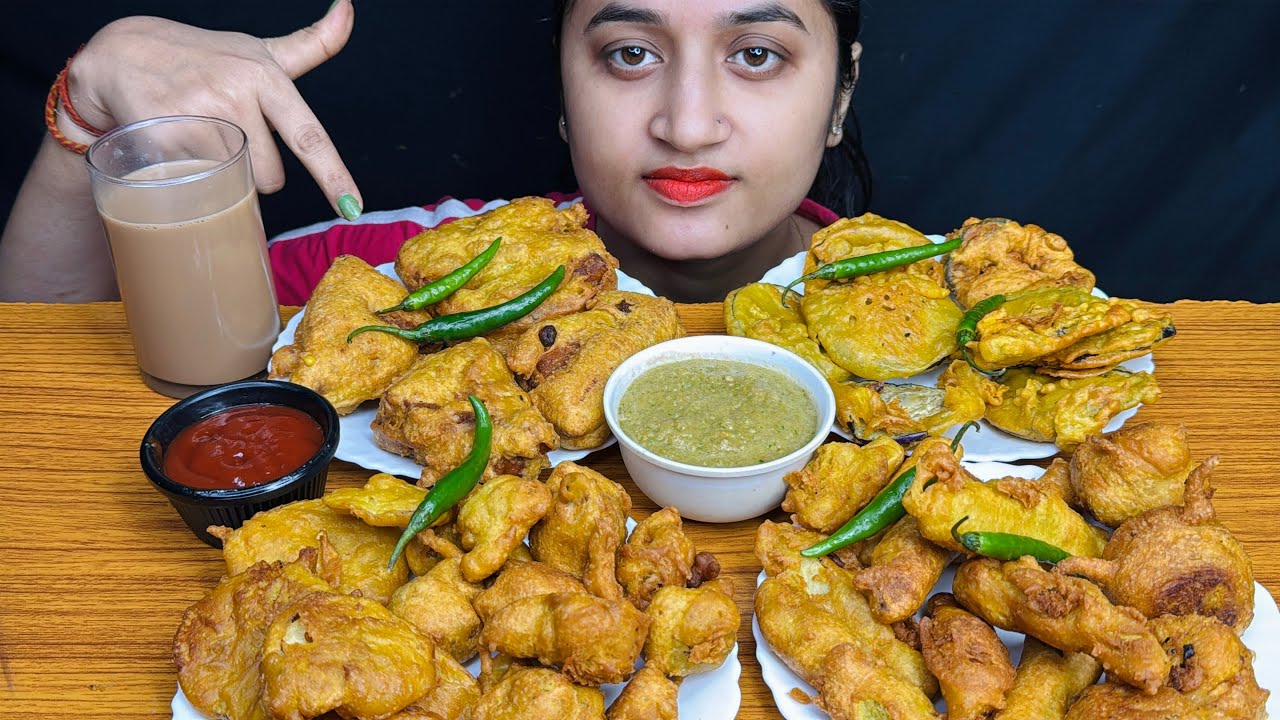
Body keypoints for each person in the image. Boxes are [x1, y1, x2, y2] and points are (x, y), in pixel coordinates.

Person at [0, 0, 871, 304]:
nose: (686, 125)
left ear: (840, 95)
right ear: (564, 90)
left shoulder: (964, 309)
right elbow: (55, 348)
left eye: (756, 54)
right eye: (629, 54)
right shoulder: (381, 272)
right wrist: (90, 105)